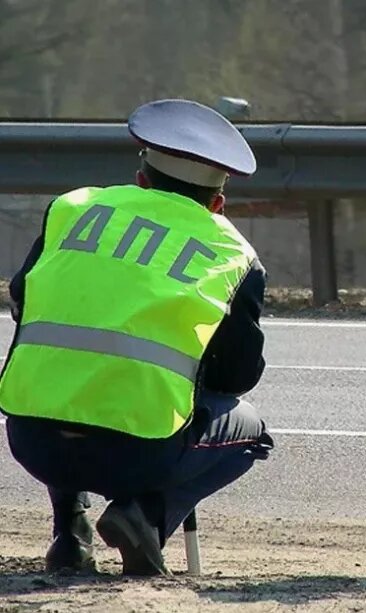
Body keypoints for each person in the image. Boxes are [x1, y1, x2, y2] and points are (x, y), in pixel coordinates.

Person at [0, 98, 274, 576]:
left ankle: (70, 533)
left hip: (30, 438)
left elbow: (21, 300)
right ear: (217, 203)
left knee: (68, 379)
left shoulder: (72, 208)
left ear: (141, 179)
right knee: (250, 433)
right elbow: (237, 377)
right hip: (139, 454)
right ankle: (145, 517)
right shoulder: (234, 254)